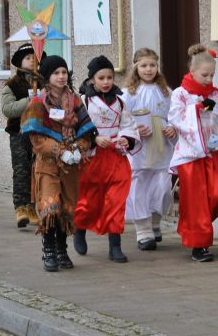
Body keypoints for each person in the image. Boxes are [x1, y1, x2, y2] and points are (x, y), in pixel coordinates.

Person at [168, 44, 218, 262]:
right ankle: (198, 245)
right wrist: (198, 108)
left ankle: (194, 229)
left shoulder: (215, 93)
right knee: (197, 202)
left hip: (211, 152)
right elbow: (175, 118)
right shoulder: (181, 94)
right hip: (190, 155)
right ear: (192, 71)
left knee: (215, 197)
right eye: (205, 75)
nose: (209, 79)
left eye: (212, 75)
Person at [21, 55, 96, 272]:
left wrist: (79, 148)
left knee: (67, 207)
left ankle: (62, 249)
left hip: (71, 164)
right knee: (50, 206)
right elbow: (36, 138)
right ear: (47, 77)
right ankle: (49, 251)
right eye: (56, 73)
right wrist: (59, 151)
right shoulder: (38, 102)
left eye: (64, 72)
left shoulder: (75, 100)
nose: (61, 76)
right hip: (47, 165)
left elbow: (86, 131)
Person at [73, 55, 141, 263]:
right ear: (92, 79)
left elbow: (128, 125)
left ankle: (115, 246)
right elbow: (75, 126)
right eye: (101, 78)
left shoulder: (120, 102)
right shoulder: (83, 101)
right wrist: (94, 138)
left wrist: (126, 139)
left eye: (109, 77)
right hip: (92, 157)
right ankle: (79, 228)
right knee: (89, 200)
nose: (106, 82)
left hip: (114, 156)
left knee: (116, 201)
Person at [121, 48, 176, 250]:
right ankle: (143, 230)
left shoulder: (166, 92)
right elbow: (123, 119)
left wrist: (172, 127)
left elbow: (175, 115)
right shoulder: (128, 93)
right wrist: (134, 131)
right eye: (144, 65)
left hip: (161, 144)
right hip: (140, 145)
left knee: (163, 185)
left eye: (152, 65)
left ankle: (154, 220)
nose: (148, 69)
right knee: (139, 186)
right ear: (136, 67)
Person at [1, 43, 43, 229]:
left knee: (37, 170)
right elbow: (8, 109)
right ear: (20, 62)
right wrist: (29, 100)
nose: (32, 61)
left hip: (39, 133)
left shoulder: (44, 82)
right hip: (19, 133)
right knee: (21, 170)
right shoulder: (12, 85)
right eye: (28, 58)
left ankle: (32, 207)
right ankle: (21, 208)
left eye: (34, 57)